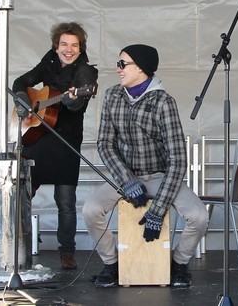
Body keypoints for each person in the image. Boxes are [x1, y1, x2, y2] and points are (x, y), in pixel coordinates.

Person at [82, 44, 209, 289]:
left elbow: (178, 159)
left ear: (140, 68)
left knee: (199, 216)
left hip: (160, 176)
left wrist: (157, 211)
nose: (117, 69)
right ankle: (112, 264)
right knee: (90, 210)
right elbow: (105, 145)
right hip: (124, 177)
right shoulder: (112, 96)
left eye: (123, 64)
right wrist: (127, 181)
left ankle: (179, 264)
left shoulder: (163, 102)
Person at [12, 22, 98, 270]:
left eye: (74, 45)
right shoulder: (49, 61)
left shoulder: (86, 74)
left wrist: (71, 99)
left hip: (65, 141)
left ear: (81, 49)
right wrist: (23, 103)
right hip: (36, 138)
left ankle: (67, 253)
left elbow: (77, 106)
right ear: (56, 46)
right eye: (64, 44)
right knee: (22, 196)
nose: (68, 50)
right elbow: (21, 81)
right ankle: (18, 246)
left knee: (66, 202)